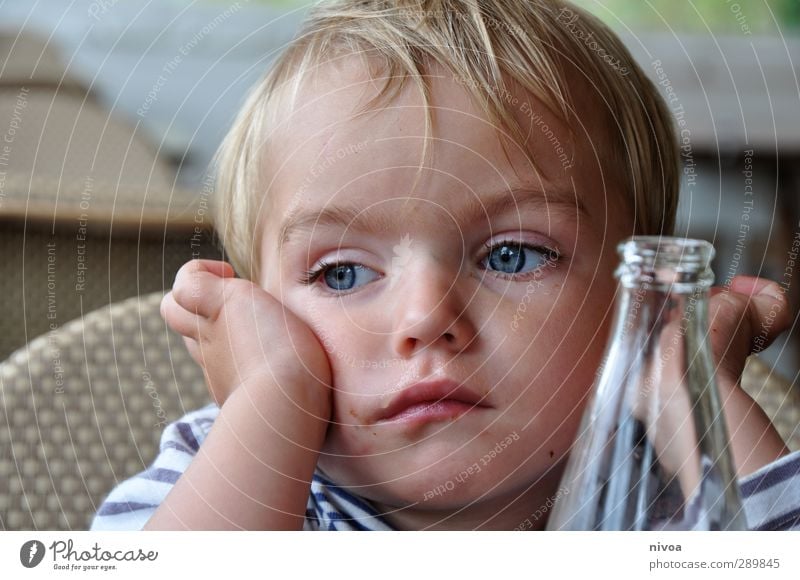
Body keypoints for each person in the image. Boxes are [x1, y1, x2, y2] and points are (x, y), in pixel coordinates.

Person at [91, 0, 799, 531]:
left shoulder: (670, 495)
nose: (427, 319)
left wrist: (690, 383)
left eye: (514, 255)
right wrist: (270, 400)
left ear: (634, 291)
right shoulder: (219, 475)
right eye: (341, 272)